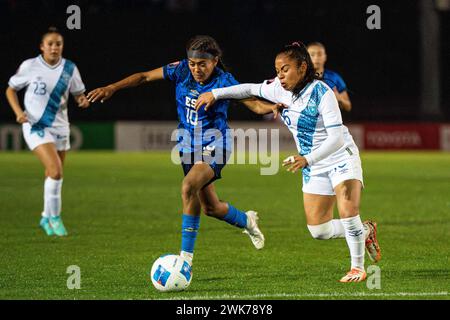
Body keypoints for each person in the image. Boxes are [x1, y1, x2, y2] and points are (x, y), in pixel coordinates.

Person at [195, 41, 381, 283]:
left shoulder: (322, 93)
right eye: (277, 70)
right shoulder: (278, 89)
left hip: (339, 156)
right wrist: (215, 93)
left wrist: (307, 158)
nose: (279, 75)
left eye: (285, 69)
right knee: (319, 230)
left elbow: (336, 138)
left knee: (348, 210)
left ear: (302, 68)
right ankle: (365, 230)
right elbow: (247, 89)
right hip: (313, 164)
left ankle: (358, 267)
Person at [86, 35, 277, 267]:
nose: (196, 69)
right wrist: (111, 88)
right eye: (193, 63)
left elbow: (255, 104)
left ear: (215, 61)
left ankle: (185, 261)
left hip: (216, 143)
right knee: (210, 207)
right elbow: (144, 76)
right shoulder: (180, 70)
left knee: (188, 186)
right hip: (188, 144)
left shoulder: (225, 81)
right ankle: (247, 221)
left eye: (202, 64)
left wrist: (274, 107)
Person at [5, 27, 90, 236]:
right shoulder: (30, 66)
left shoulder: (69, 68)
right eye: (50, 44)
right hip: (35, 125)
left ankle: (45, 216)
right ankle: (55, 217)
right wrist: (18, 112)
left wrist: (82, 100)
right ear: (42, 47)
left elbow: (78, 94)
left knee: (54, 175)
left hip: (61, 126)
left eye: (58, 44)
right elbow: (10, 89)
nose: (54, 47)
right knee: (55, 170)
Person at [307, 42, 352, 112]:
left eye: (319, 54)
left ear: (325, 57)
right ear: (306, 58)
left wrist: (338, 98)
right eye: (312, 55)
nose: (316, 58)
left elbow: (348, 107)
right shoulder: (300, 78)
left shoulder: (334, 77)